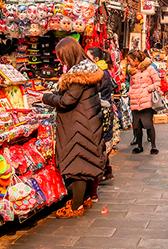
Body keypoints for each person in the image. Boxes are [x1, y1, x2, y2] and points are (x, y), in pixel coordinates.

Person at [42, 37, 105, 218]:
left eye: (62, 56)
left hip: (79, 125)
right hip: (87, 121)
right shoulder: (87, 69)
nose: (61, 61)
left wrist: (46, 97)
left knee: (78, 165)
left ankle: (76, 206)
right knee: (84, 161)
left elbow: (66, 101)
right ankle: (84, 198)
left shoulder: (78, 76)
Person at [87, 46, 115, 185]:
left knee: (99, 143)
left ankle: (103, 172)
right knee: (100, 143)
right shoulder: (101, 72)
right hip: (102, 109)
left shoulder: (100, 74)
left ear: (96, 59)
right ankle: (105, 171)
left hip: (101, 111)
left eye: (89, 57)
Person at [126, 50, 161, 155]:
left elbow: (157, 82)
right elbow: (131, 84)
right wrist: (130, 92)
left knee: (148, 124)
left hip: (146, 101)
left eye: (130, 60)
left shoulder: (150, 69)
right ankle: (139, 146)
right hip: (135, 101)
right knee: (137, 126)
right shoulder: (132, 71)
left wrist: (147, 89)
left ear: (136, 59)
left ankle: (153, 146)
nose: (129, 63)